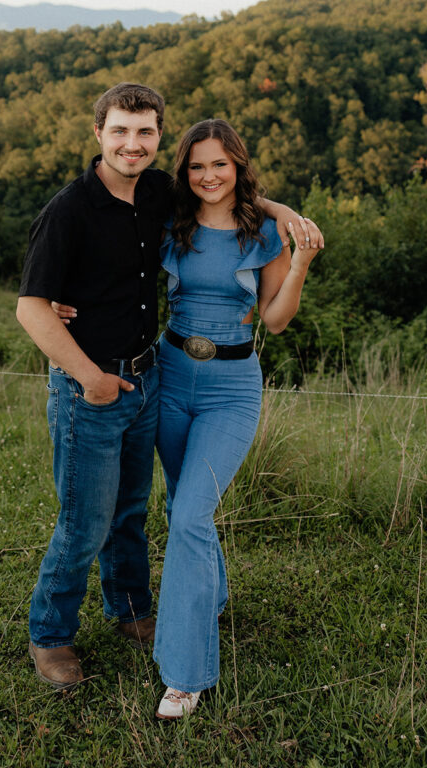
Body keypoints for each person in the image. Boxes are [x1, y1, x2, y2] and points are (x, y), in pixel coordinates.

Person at [16, 83, 308, 690]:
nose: (132, 143)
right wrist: (90, 377)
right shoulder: (69, 210)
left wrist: (282, 214)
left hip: (152, 375)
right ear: (99, 133)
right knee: (84, 520)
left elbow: (224, 188)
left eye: (144, 132)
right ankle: (51, 635)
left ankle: (128, 610)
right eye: (120, 130)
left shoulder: (156, 194)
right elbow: (31, 309)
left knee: (131, 510)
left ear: (156, 139)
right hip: (92, 385)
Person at [152, 118, 323, 720]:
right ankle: (211, 595)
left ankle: (185, 675)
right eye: (197, 165)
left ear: (238, 167)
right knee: (180, 507)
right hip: (170, 375)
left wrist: (299, 261)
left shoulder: (265, 234)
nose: (208, 176)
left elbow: (275, 321)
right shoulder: (169, 218)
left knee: (193, 514)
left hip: (231, 387)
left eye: (219, 164)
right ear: (184, 171)